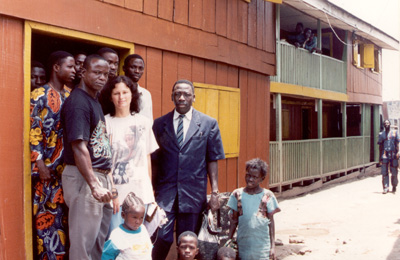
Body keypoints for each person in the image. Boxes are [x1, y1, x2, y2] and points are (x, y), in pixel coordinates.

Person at [151, 79, 225, 259]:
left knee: (188, 243)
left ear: (194, 97)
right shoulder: (159, 124)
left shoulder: (208, 123)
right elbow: (153, 160)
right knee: (161, 236)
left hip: (193, 193)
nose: (181, 97)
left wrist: (214, 192)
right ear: (172, 97)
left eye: (186, 94)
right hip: (165, 194)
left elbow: (212, 159)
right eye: (177, 94)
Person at [61, 54, 113, 259]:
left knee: (96, 244)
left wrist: (106, 182)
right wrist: (94, 185)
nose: (102, 78)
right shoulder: (78, 103)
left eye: (106, 74)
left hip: (99, 178)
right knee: (83, 246)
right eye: (97, 72)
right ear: (83, 72)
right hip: (85, 178)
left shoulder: (94, 100)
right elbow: (79, 147)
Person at [99, 75, 158, 234]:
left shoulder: (143, 122)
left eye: (125, 92)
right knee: (117, 238)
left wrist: (150, 192)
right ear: (110, 97)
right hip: (118, 193)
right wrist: (113, 193)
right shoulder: (105, 123)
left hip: (141, 191)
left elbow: (147, 158)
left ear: (132, 95)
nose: (121, 97)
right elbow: (105, 162)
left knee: (139, 240)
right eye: (116, 93)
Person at [30, 50, 75, 259]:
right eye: (70, 66)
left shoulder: (70, 96)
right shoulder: (38, 94)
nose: (74, 71)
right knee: (46, 227)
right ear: (56, 67)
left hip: (66, 174)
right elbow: (34, 128)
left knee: (65, 226)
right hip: (46, 173)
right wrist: (38, 162)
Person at [227, 158, 281, 260]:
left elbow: (271, 222)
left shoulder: (268, 196)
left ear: (262, 179)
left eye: (255, 177)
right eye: (248, 175)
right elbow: (234, 221)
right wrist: (228, 241)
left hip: (262, 248)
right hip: (243, 245)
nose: (250, 179)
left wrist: (272, 246)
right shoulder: (237, 195)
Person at [102, 192, 152, 260]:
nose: (138, 221)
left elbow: (148, 249)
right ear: (123, 215)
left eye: (141, 218)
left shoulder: (143, 229)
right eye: (134, 217)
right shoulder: (118, 234)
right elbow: (106, 255)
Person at [123, 54, 153, 121]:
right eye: (133, 67)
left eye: (140, 68)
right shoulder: (118, 92)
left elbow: (149, 121)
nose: (137, 71)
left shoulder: (146, 94)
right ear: (124, 68)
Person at [377, 120, 399, 194]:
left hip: (393, 154)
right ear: (383, 125)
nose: (386, 125)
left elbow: (397, 143)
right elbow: (380, 147)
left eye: (388, 123)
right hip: (384, 154)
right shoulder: (381, 134)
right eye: (385, 123)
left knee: (394, 171)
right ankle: (385, 187)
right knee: (384, 172)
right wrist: (379, 158)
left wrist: (398, 152)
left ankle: (394, 185)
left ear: (390, 124)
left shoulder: (394, 133)